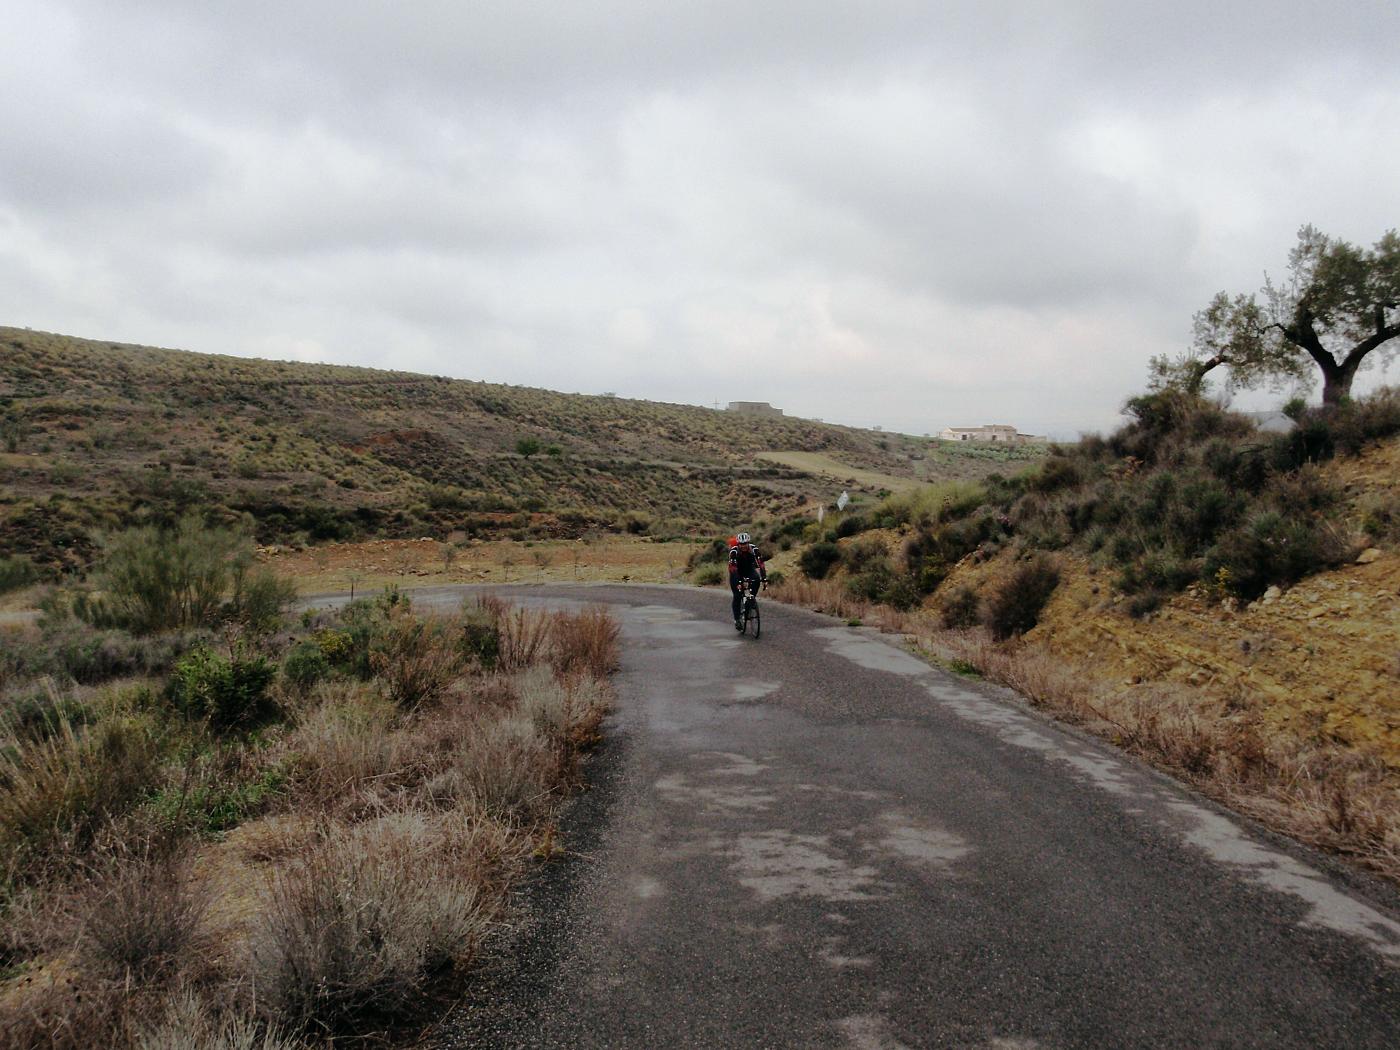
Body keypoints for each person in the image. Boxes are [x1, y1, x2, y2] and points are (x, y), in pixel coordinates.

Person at [727, 531, 767, 630]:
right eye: (741, 544)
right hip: (736, 572)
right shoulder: (734, 551)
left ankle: (751, 600)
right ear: (738, 544)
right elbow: (733, 568)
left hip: (749, 570)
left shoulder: (754, 549)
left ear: (748, 543)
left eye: (745, 544)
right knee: (737, 595)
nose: (743, 546)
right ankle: (737, 620)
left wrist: (764, 579)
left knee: (756, 579)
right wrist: (738, 583)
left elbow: (761, 564)